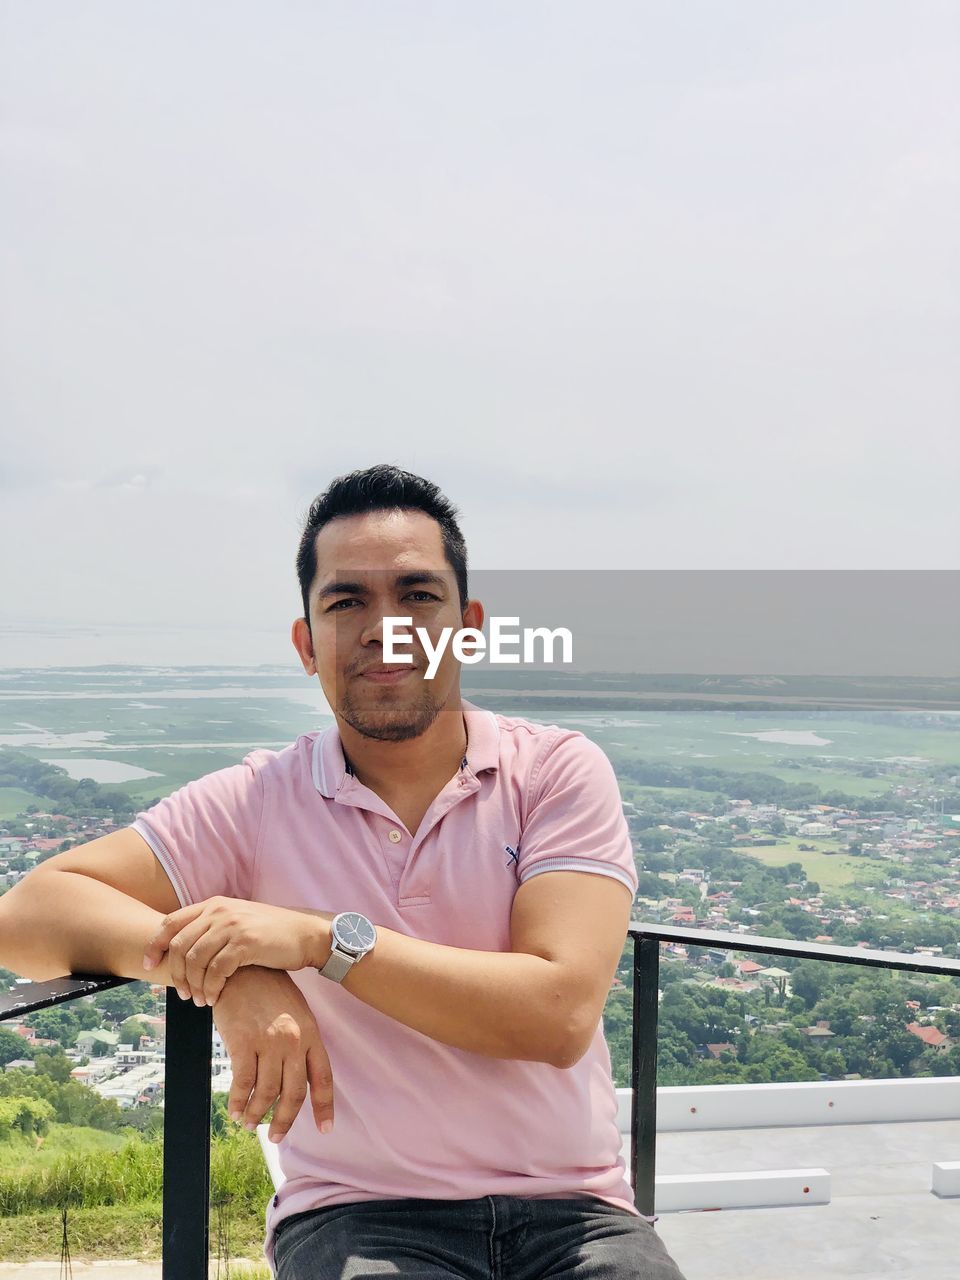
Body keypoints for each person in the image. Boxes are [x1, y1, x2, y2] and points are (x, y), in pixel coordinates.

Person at [0, 464, 686, 1280]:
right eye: (346, 601)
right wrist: (230, 971)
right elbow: (29, 917)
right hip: (361, 1219)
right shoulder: (261, 797)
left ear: (467, 628)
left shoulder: (554, 772)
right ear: (306, 644)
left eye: (417, 595)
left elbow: (557, 1014)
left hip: (576, 1218)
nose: (383, 626)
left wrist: (323, 942)